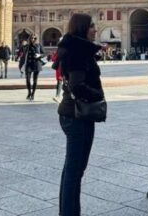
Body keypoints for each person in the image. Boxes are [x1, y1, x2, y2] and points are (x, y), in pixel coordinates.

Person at [57, 13, 104, 216]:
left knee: (72, 170)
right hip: (77, 114)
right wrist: (97, 96)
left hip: (74, 114)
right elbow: (77, 85)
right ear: (82, 28)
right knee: (75, 171)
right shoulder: (78, 51)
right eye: (92, 26)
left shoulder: (77, 48)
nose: (95, 29)